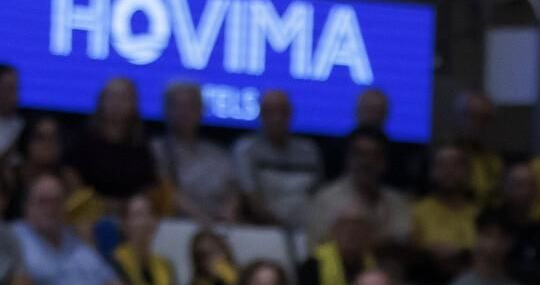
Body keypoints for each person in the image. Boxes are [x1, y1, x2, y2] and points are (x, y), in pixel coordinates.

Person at [14, 174, 146, 285]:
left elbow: (112, 283)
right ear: (28, 206)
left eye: (57, 201)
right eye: (43, 201)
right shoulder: (16, 240)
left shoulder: (77, 240)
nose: (51, 207)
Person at [233, 88, 323, 233]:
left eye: (282, 112)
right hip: (264, 231)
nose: (277, 118)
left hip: (307, 229)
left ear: (291, 114)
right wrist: (281, 227)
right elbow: (251, 197)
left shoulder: (309, 151)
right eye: (270, 112)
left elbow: (317, 196)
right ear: (261, 115)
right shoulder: (246, 149)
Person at [151, 81, 241, 225]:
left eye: (190, 106)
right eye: (178, 106)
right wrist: (202, 220)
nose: (184, 112)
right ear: (167, 110)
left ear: (201, 110)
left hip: (220, 229)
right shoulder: (156, 150)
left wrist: (228, 213)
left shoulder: (218, 154)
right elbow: (166, 191)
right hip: (174, 227)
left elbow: (232, 191)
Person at [306, 129, 411, 248]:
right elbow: (317, 248)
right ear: (347, 158)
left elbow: (403, 245)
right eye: (359, 154)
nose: (366, 162)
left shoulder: (398, 202)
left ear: (384, 161)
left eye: (373, 155)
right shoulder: (325, 199)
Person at [67, 78, 159, 213]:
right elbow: (70, 174)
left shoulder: (141, 143)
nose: (117, 104)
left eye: (123, 98)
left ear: (134, 103)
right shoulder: (84, 136)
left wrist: (126, 206)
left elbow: (149, 184)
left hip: (128, 212)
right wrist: (97, 204)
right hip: (87, 209)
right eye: (112, 97)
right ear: (101, 100)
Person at [408, 145, 478, 285]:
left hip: (469, 284)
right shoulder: (416, 210)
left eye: (455, 164)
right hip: (425, 282)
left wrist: (459, 253)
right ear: (432, 171)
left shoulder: (479, 214)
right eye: (442, 165)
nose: (449, 171)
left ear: (468, 172)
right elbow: (410, 252)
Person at [441, 211, 518, 285]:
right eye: (488, 235)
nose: (494, 243)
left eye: (502, 237)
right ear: (477, 237)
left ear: (509, 242)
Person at [111, 191, 177, 285]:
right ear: (124, 224)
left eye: (149, 214)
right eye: (137, 215)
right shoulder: (114, 263)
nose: (144, 221)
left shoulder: (165, 265)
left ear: (156, 221)